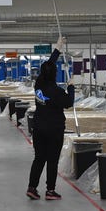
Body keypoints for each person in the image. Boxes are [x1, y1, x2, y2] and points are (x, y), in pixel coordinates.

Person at [26, 35, 75, 200]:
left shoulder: (39, 83)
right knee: (52, 160)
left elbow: (49, 65)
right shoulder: (57, 92)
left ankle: (32, 188)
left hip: (39, 127)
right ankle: (50, 190)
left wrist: (58, 48)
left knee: (39, 158)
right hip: (54, 129)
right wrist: (72, 87)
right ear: (55, 74)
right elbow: (69, 103)